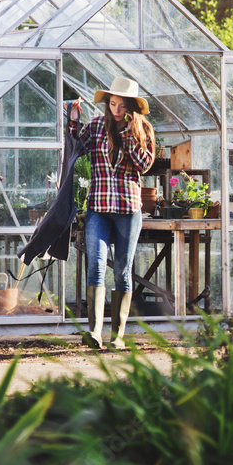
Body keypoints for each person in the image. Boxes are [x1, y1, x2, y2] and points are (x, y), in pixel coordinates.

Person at [69, 77, 155, 349]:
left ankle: (117, 336)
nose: (116, 110)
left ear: (132, 109)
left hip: (128, 210)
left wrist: (130, 135)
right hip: (98, 209)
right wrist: (73, 121)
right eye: (113, 104)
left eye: (122, 106)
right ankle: (95, 333)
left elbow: (144, 165)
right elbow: (75, 147)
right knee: (95, 266)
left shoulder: (143, 132)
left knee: (122, 271)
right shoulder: (95, 127)